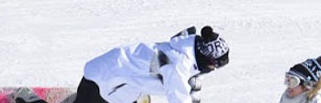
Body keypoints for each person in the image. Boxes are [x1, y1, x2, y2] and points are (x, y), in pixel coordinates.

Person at [75, 25, 229, 103]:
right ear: (206, 60)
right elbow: (178, 96)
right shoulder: (177, 66)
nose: (214, 69)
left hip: (118, 82)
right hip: (103, 84)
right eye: (216, 65)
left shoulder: (184, 50)